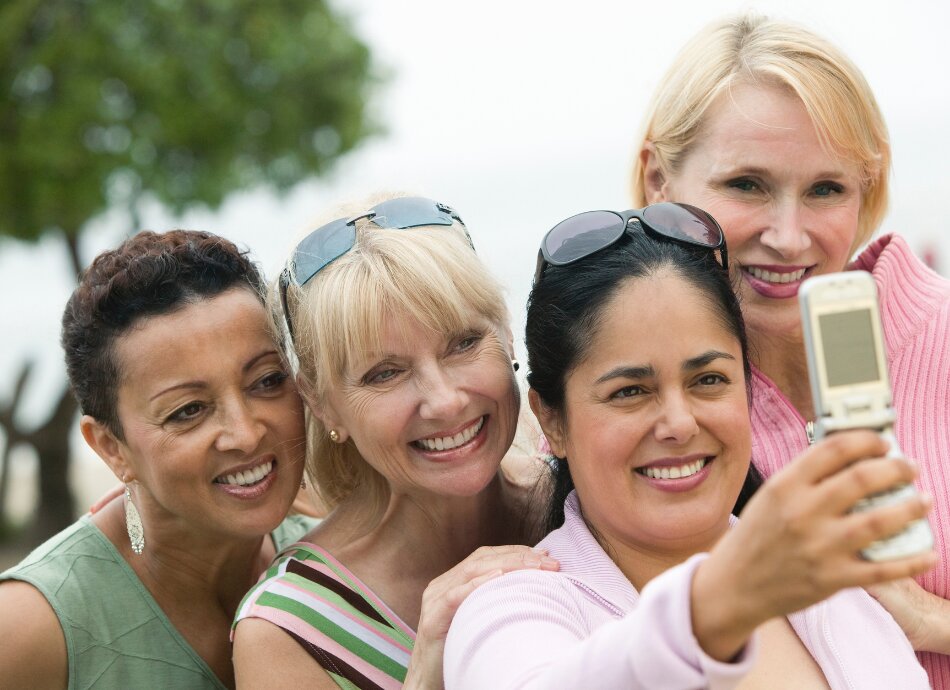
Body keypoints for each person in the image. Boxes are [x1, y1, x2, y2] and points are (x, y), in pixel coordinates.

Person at [443, 206, 933, 688]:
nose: (679, 423)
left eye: (709, 379)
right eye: (629, 391)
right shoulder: (510, 608)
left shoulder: (835, 587)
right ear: (552, 419)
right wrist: (719, 604)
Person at [631, 13, 950, 684]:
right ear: (659, 180)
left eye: (825, 189)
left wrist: (930, 622)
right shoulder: (631, 404)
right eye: (747, 184)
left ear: (868, 188)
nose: (788, 236)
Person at [231, 195, 554, 689]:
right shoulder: (288, 628)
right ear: (321, 402)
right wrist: (426, 674)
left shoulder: (586, 501)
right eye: (385, 373)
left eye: (464, 343)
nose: (444, 402)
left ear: (508, 334)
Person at [0, 230, 314, 689]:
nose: (245, 434)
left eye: (266, 381)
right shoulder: (32, 629)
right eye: (188, 410)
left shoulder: (334, 565)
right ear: (111, 448)